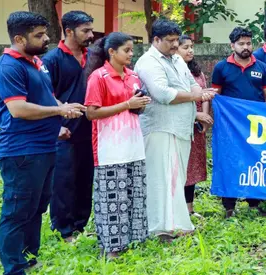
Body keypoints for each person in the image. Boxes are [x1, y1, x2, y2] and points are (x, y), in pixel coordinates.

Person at [0, 11, 85, 275]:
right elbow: (18, 109)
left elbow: (47, 98)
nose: (46, 39)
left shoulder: (36, 62)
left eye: (45, 33)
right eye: (39, 35)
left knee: (36, 207)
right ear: (19, 38)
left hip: (44, 147)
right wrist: (58, 112)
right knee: (17, 209)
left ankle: (29, 258)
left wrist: (63, 108)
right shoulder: (8, 66)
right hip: (21, 151)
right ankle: (13, 267)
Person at [134, 19, 215, 241]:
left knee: (176, 178)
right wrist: (195, 96)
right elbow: (163, 94)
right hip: (160, 127)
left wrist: (196, 92)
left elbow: (193, 83)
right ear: (156, 39)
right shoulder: (148, 62)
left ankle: (177, 222)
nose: (174, 45)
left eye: (176, 40)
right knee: (160, 177)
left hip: (180, 128)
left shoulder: (177, 59)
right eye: (169, 41)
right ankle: (158, 228)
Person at [84, 32, 152, 258]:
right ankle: (111, 246)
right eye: (127, 50)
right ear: (111, 52)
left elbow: (135, 109)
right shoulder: (99, 77)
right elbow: (91, 113)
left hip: (133, 143)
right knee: (111, 197)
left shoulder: (133, 76)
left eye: (132, 50)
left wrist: (139, 104)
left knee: (133, 194)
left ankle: (134, 239)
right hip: (109, 147)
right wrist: (126, 104)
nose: (131, 54)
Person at [41, 10, 95, 243]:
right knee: (64, 181)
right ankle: (64, 229)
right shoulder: (52, 59)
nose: (91, 35)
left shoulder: (92, 56)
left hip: (90, 128)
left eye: (91, 29)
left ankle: (81, 225)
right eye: (86, 30)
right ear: (69, 31)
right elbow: (44, 94)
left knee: (85, 178)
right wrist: (60, 115)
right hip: (64, 130)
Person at [210, 27, 266, 218]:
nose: (246, 47)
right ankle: (229, 206)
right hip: (230, 127)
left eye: (248, 43)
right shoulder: (221, 67)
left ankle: (254, 203)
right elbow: (216, 96)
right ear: (232, 45)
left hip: (256, 127)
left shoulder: (262, 67)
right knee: (230, 162)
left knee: (255, 160)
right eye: (241, 44)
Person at [177, 35, 208, 218]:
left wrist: (203, 117)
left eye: (191, 47)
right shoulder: (175, 72)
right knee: (181, 166)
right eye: (185, 47)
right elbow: (176, 98)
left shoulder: (197, 72)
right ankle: (178, 208)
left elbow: (204, 94)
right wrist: (196, 114)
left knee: (193, 167)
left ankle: (189, 208)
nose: (190, 51)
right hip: (182, 122)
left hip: (197, 126)